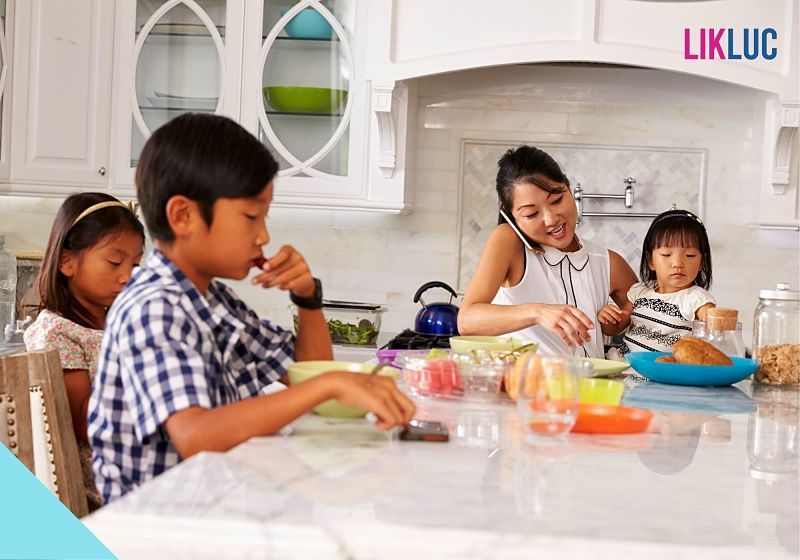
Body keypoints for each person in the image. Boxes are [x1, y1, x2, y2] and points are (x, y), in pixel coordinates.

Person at [88, 113, 415, 503]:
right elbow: (196, 436)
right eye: (250, 216)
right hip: (159, 529)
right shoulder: (153, 307)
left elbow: (305, 373)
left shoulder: (214, 301)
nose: (263, 235)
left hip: (213, 506)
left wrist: (307, 297)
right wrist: (329, 384)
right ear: (183, 216)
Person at [24, 192, 145, 511]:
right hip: (109, 496)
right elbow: (88, 427)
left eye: (135, 264)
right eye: (115, 262)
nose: (128, 276)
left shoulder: (114, 324)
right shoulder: (57, 333)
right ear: (67, 262)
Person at [458, 146, 638, 358]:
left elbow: (649, 307)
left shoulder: (606, 262)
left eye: (557, 200)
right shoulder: (508, 241)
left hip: (592, 388)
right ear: (511, 217)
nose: (551, 219)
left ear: (569, 189)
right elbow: (467, 321)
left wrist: (614, 323)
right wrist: (538, 312)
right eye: (531, 213)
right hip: (527, 387)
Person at [598, 209, 715, 354]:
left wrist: (715, 321)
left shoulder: (697, 299)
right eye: (666, 254)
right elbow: (614, 329)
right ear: (650, 261)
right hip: (625, 365)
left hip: (665, 372)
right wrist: (608, 319)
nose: (678, 263)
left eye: (690, 255)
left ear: (701, 262)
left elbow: (716, 326)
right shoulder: (640, 291)